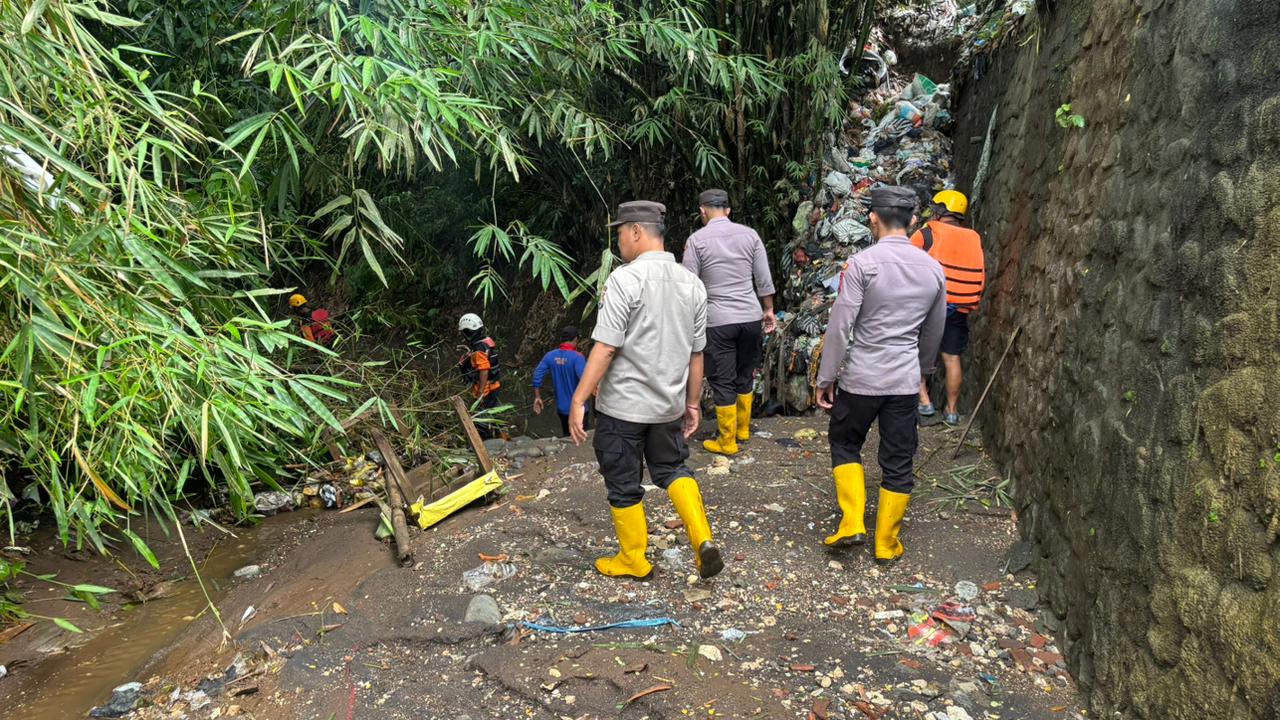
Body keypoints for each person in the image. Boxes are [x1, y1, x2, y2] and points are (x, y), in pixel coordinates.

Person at [568, 200, 723, 580]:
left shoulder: (626, 279)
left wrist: (579, 398)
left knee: (623, 480)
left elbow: (606, 346)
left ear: (636, 231)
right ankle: (702, 538)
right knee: (672, 468)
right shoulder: (692, 284)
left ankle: (634, 559)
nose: (619, 241)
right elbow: (695, 353)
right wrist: (692, 404)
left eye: (620, 233)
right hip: (667, 406)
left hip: (623, 408)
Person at [815, 186, 946, 565]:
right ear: (914, 222)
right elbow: (934, 332)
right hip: (904, 382)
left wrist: (826, 377)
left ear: (873, 218)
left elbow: (840, 327)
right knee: (899, 458)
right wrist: (921, 372)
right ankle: (886, 543)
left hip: (861, 379)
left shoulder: (861, 265)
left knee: (845, 442)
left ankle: (852, 521)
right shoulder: (933, 269)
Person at [681, 188, 776, 456]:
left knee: (723, 379)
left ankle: (727, 440)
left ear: (702, 211)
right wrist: (768, 309)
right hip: (749, 316)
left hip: (717, 320)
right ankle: (743, 429)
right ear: (728, 210)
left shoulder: (697, 240)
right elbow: (763, 278)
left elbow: (690, 285)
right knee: (745, 371)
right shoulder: (750, 235)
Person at [911, 190, 985, 425]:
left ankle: (924, 402)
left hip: (929, 306)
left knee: (916, 352)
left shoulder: (927, 234)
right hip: (959, 307)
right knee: (952, 358)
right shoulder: (973, 237)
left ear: (940, 211)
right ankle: (952, 411)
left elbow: (906, 263)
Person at [532, 325, 589, 437]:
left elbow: (537, 375)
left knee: (567, 435)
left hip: (562, 409)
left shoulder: (550, 356)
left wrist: (537, 397)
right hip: (579, 408)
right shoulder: (578, 357)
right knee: (581, 438)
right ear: (576, 339)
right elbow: (585, 379)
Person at [457, 313, 503, 439]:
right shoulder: (486, 341)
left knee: (481, 418)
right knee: (495, 413)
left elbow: (484, 370)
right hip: (495, 384)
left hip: (486, 389)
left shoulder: (478, 348)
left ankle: (487, 443)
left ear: (468, 332)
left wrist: (481, 392)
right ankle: (501, 437)